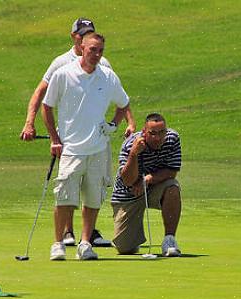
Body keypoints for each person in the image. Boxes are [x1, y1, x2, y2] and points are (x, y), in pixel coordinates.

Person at [21, 17, 136, 248]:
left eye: (90, 32)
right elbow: (42, 95)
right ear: (75, 37)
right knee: (67, 189)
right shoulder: (61, 65)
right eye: (83, 33)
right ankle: (66, 233)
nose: (87, 37)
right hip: (70, 139)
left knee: (93, 189)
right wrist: (29, 123)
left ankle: (87, 235)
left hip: (96, 141)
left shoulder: (104, 65)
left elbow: (118, 96)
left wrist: (125, 122)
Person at [111, 113, 183, 257]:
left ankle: (169, 240)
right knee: (125, 249)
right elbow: (127, 180)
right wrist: (133, 154)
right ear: (144, 132)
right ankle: (134, 237)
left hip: (154, 187)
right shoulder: (131, 143)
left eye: (161, 132)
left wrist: (149, 179)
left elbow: (172, 171)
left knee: (172, 187)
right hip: (128, 193)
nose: (158, 137)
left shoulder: (172, 139)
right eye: (153, 133)